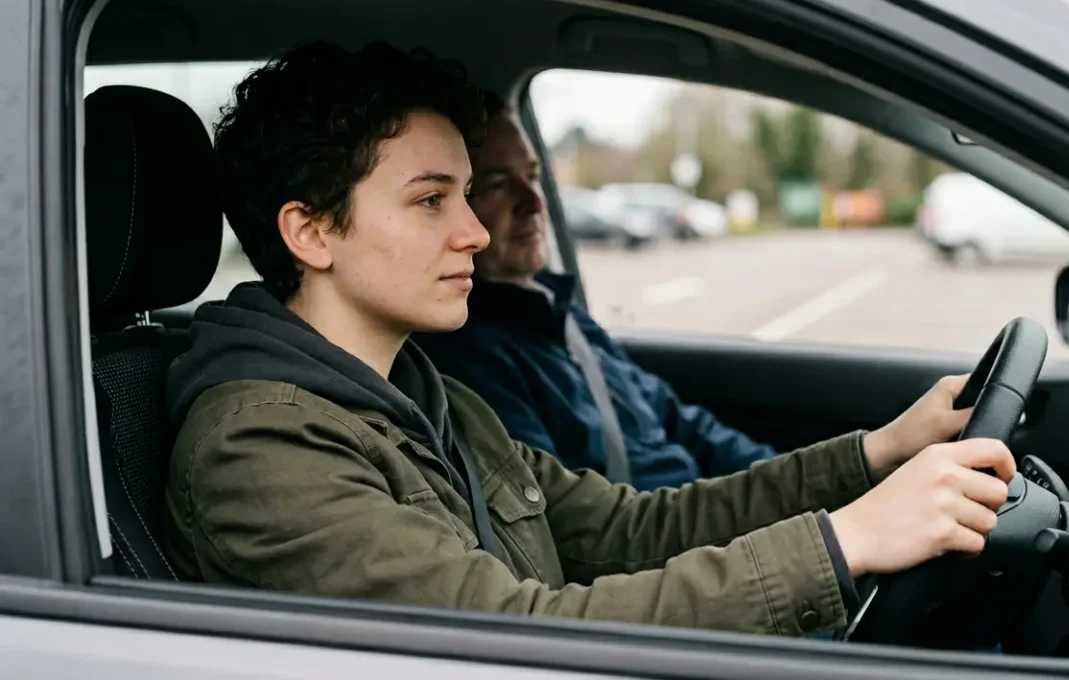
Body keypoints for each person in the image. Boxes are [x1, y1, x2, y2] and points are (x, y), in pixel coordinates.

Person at [163, 40, 1016, 638]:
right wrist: (846, 545)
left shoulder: (427, 397)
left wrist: (875, 455)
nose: (473, 232)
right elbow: (506, 639)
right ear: (311, 233)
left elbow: (633, 528)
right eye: (432, 200)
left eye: (470, 194)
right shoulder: (259, 445)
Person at [413, 92, 776, 490]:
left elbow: (678, 420)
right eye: (497, 185)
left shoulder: (561, 314)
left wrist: (784, 481)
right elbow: (578, 531)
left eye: (533, 177)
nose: (534, 201)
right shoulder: (469, 359)